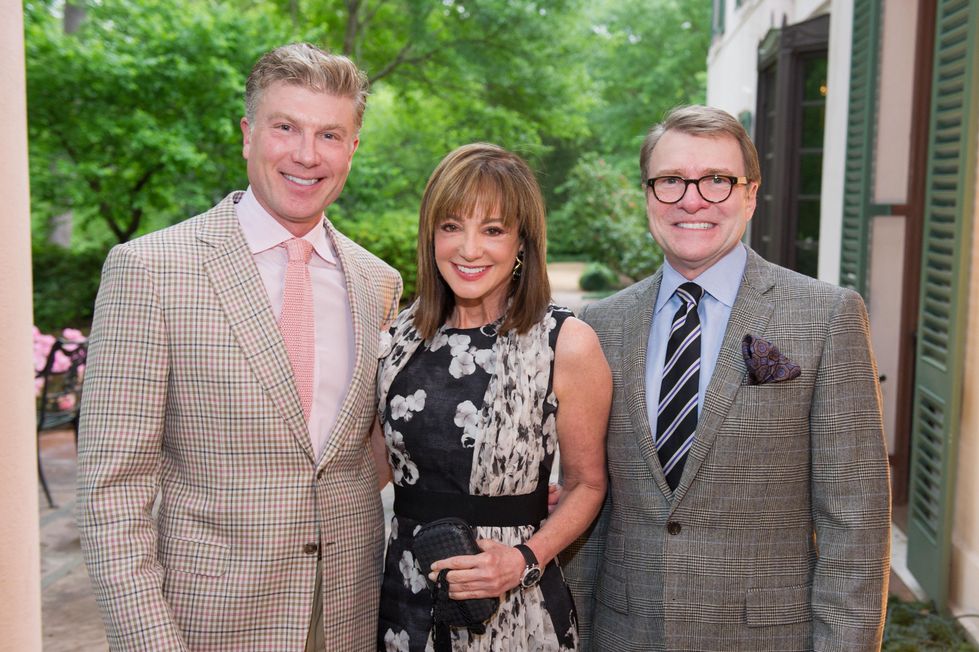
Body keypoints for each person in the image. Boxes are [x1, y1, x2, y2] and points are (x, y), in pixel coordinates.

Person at [76, 43, 402, 651]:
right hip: (208, 622)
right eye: (286, 127)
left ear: (352, 149)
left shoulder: (376, 282)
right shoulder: (150, 270)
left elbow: (363, 452)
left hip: (348, 617)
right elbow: (111, 488)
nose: (307, 155)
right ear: (248, 134)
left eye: (330, 134)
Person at [560, 105, 891, 651]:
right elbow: (591, 506)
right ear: (647, 194)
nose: (692, 199)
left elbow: (854, 522)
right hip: (627, 634)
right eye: (671, 181)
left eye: (716, 180)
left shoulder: (826, 316)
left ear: (750, 194)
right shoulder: (599, 327)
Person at [373, 142, 612, 651]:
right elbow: (372, 467)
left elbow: (587, 484)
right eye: (451, 226)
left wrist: (525, 559)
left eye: (494, 230)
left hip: (512, 604)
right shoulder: (396, 339)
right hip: (403, 599)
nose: (469, 249)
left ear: (523, 241)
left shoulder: (564, 343)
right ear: (431, 235)